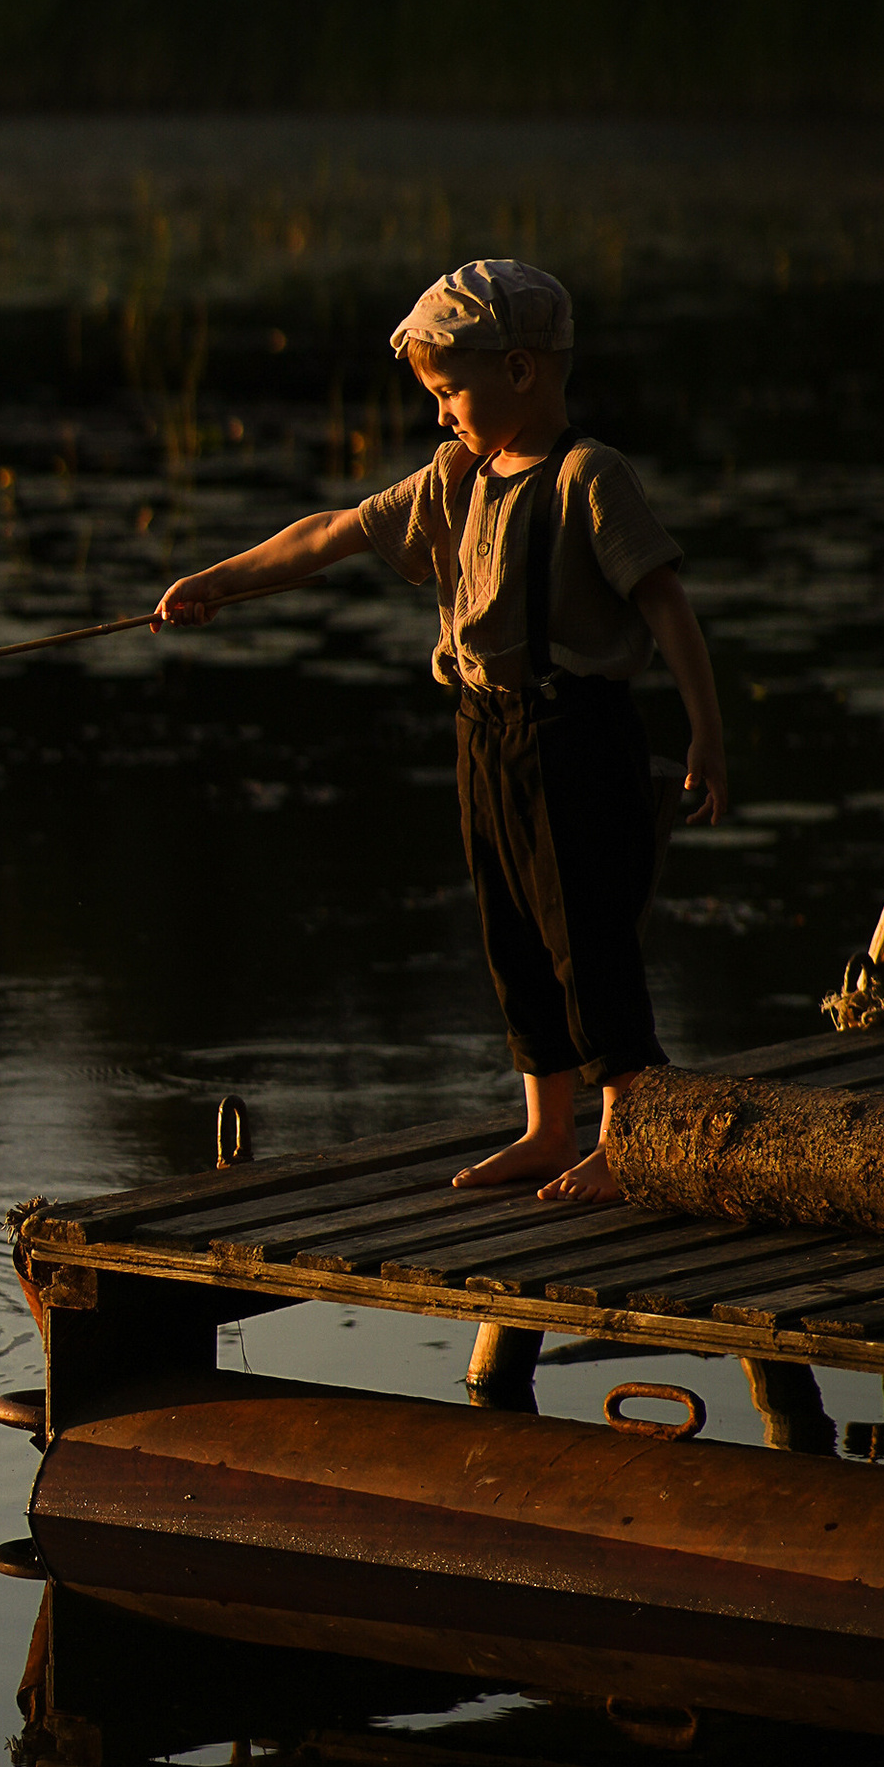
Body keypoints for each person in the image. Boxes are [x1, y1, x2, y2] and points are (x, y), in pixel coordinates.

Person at [152, 258, 727, 1201]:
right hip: (484, 732)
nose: (439, 415)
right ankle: (549, 1129)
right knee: (511, 932)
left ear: (521, 371)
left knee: (588, 935)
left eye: (450, 392)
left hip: (575, 734)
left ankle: (626, 1140)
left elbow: (665, 602)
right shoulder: (454, 478)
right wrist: (217, 582)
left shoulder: (589, 476)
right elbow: (332, 533)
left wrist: (706, 732)